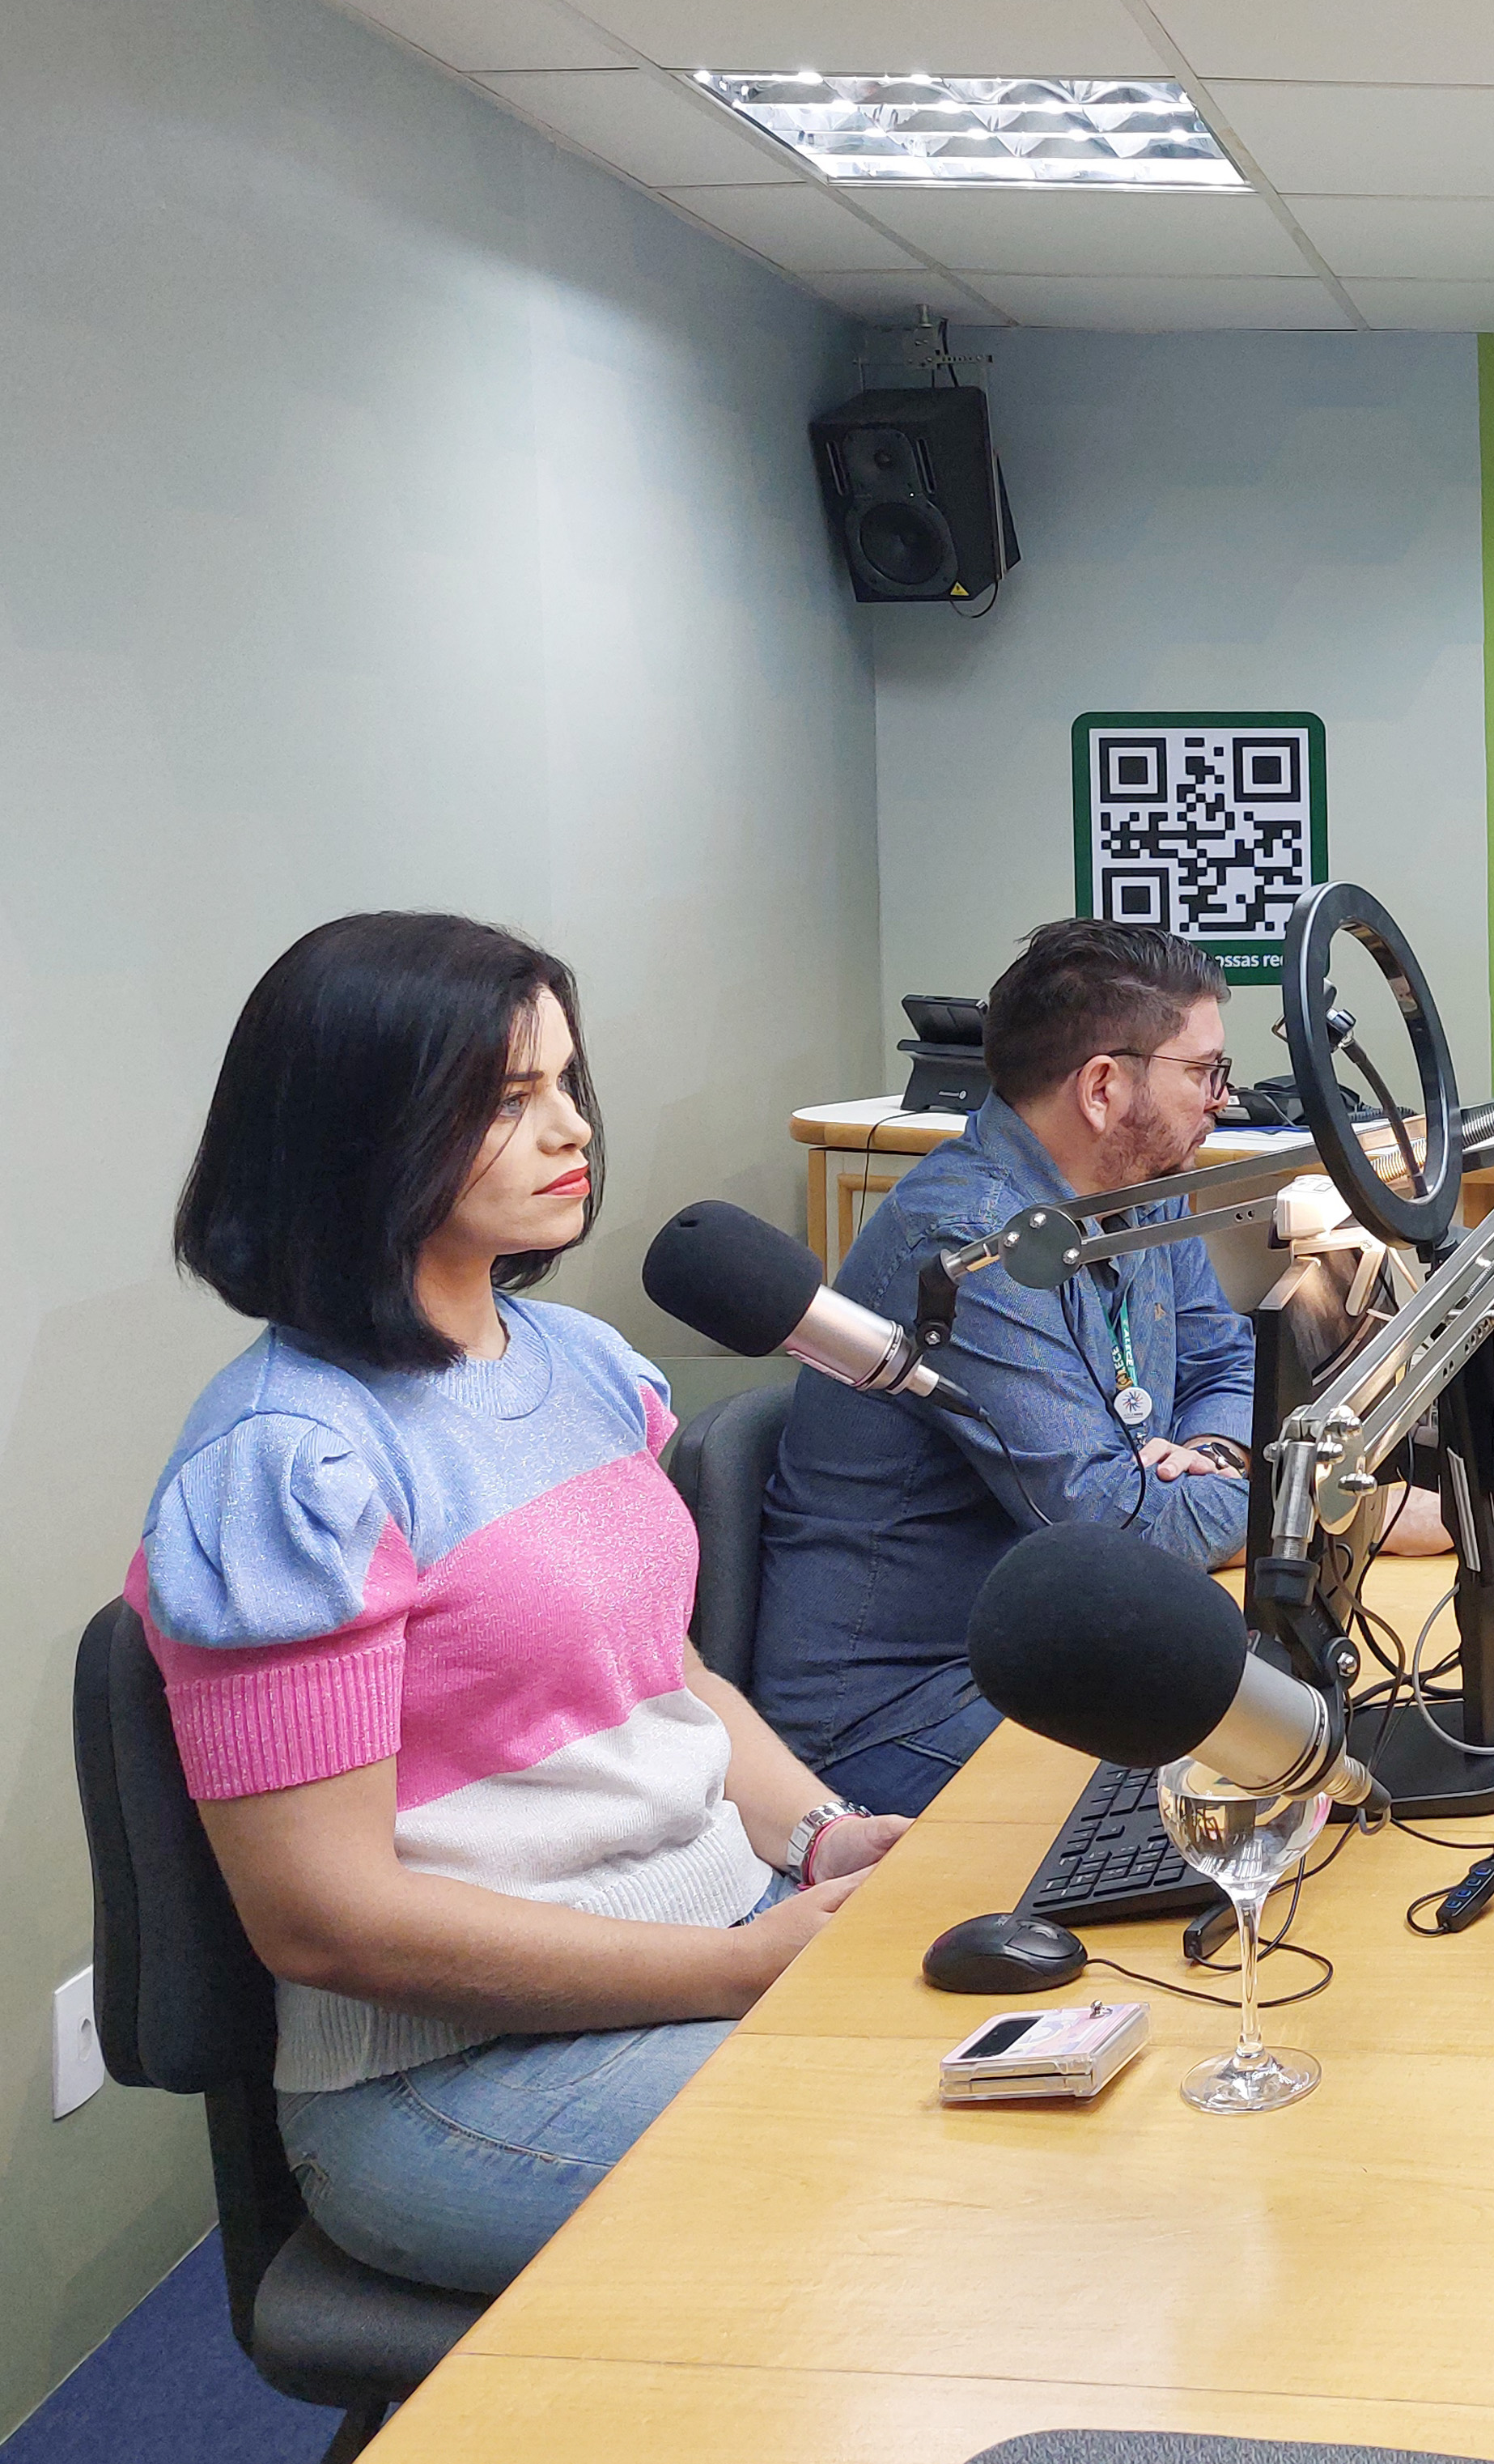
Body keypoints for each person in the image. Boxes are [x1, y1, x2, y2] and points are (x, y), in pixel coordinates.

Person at [137, 914, 906, 2296]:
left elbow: (664, 1678)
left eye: (563, 1081)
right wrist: (738, 1974)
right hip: (450, 2078)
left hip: (713, 1944)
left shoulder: (586, 1362)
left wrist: (823, 1838)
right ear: (354, 1134)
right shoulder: (287, 1461)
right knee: (910, 2182)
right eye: (505, 1099)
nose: (572, 1129)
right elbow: (325, 1919)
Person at [750, 919, 1288, 1813]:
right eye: (1204, 1073)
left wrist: (1216, 1457)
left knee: (1300, 1733)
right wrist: (1317, 1502)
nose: (1222, 1101)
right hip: (903, 1713)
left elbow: (1224, 1364)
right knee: (1248, 1792)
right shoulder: (974, 1247)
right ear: (1104, 1088)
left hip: (1062, 1651)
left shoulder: (1142, 1185)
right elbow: (1118, 1528)